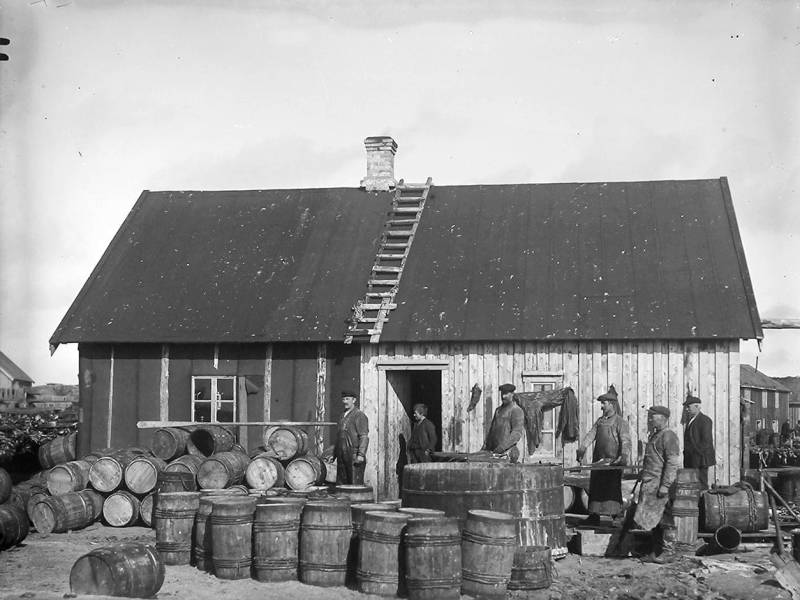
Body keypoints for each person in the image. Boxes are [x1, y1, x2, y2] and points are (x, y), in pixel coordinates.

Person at [576, 385, 631, 525]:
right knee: (596, 488)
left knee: (612, 488)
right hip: (598, 462)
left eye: (604, 403)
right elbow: (590, 435)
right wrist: (582, 448)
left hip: (613, 462)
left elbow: (625, 440)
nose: (601, 406)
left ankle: (616, 515)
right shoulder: (600, 421)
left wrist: (623, 456)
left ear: (611, 404)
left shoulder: (620, 422)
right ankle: (594, 515)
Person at [634, 405, 681, 564]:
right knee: (654, 520)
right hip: (651, 484)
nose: (650, 419)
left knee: (666, 519)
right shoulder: (656, 435)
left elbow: (672, 462)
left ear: (662, 418)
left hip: (661, 485)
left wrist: (665, 485)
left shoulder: (669, 436)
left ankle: (669, 552)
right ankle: (656, 551)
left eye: (653, 416)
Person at [482, 383, 525, 463]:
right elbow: (492, 431)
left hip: (507, 453)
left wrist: (502, 447)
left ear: (512, 394)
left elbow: (516, 433)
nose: (503, 396)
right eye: (502, 393)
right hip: (494, 453)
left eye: (506, 394)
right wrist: (485, 448)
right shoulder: (498, 410)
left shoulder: (516, 410)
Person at [334, 390, 369, 485]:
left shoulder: (359, 415)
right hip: (342, 455)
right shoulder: (342, 416)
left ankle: (354, 500)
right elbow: (339, 437)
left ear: (354, 400)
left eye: (347, 399)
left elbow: (364, 436)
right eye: (343, 399)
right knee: (341, 484)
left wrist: (361, 454)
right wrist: (334, 455)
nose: (345, 401)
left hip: (354, 455)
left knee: (354, 484)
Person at [682, 394, 716, 490]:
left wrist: (695, 456)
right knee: (692, 484)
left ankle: (703, 503)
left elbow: (706, 442)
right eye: (686, 407)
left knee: (701, 484)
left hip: (700, 459)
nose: (686, 409)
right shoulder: (691, 420)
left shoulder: (705, 420)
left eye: (688, 407)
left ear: (697, 406)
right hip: (691, 459)